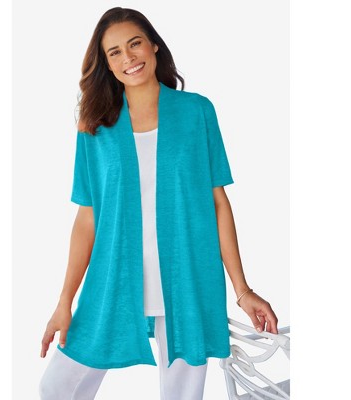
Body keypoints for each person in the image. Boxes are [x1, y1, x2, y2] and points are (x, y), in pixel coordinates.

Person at [39, 6, 278, 400]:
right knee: (57, 387)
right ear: (107, 64)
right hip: (114, 279)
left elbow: (218, 203)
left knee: (182, 395)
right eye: (115, 52)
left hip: (188, 275)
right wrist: (64, 302)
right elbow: (87, 217)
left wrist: (242, 290)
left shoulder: (197, 111)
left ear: (153, 46)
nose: (128, 57)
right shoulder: (95, 125)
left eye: (135, 44)